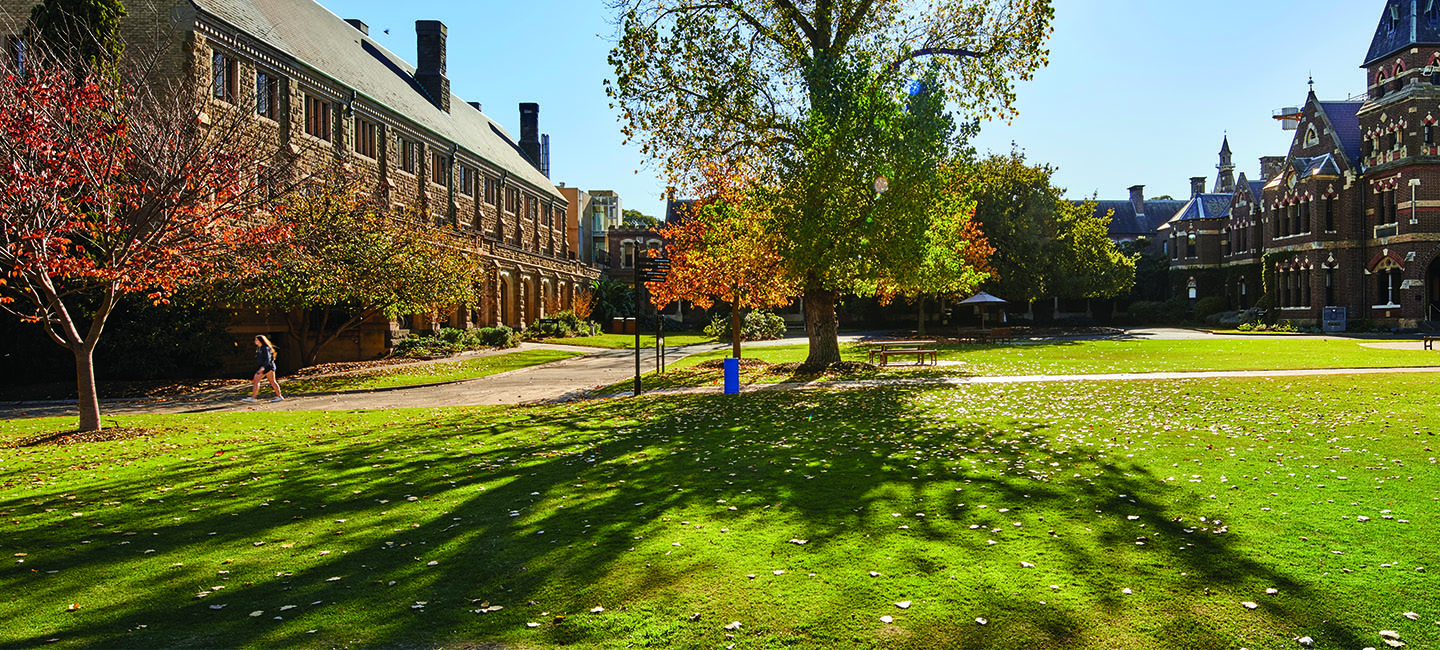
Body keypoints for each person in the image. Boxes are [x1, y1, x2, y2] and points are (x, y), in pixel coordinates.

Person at [241, 335, 284, 403]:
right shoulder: (260, 348)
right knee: (256, 380)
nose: (255, 341)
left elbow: (268, 359)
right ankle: (253, 397)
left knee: (272, 381)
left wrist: (263, 367)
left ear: (261, 341)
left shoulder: (265, 348)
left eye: (256, 340)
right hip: (263, 366)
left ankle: (279, 396)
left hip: (268, 367)